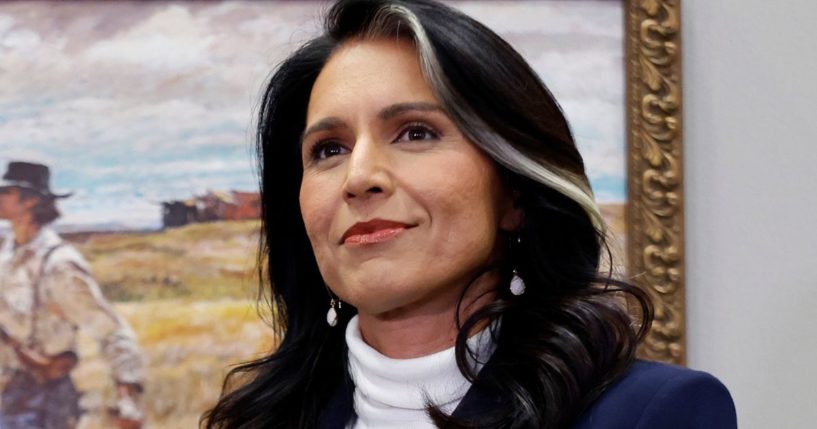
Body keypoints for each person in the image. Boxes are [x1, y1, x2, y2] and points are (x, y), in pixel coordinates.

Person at [204, 1, 737, 428]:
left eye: (416, 133)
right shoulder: (256, 418)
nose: (359, 176)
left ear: (515, 194)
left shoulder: (653, 413)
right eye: (328, 149)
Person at [0, 161, 145, 429]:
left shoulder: (59, 265)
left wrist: (128, 396)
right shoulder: (6, 257)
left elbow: (109, 330)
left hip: (44, 400)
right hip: (7, 394)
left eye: (6, 192)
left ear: (31, 200)